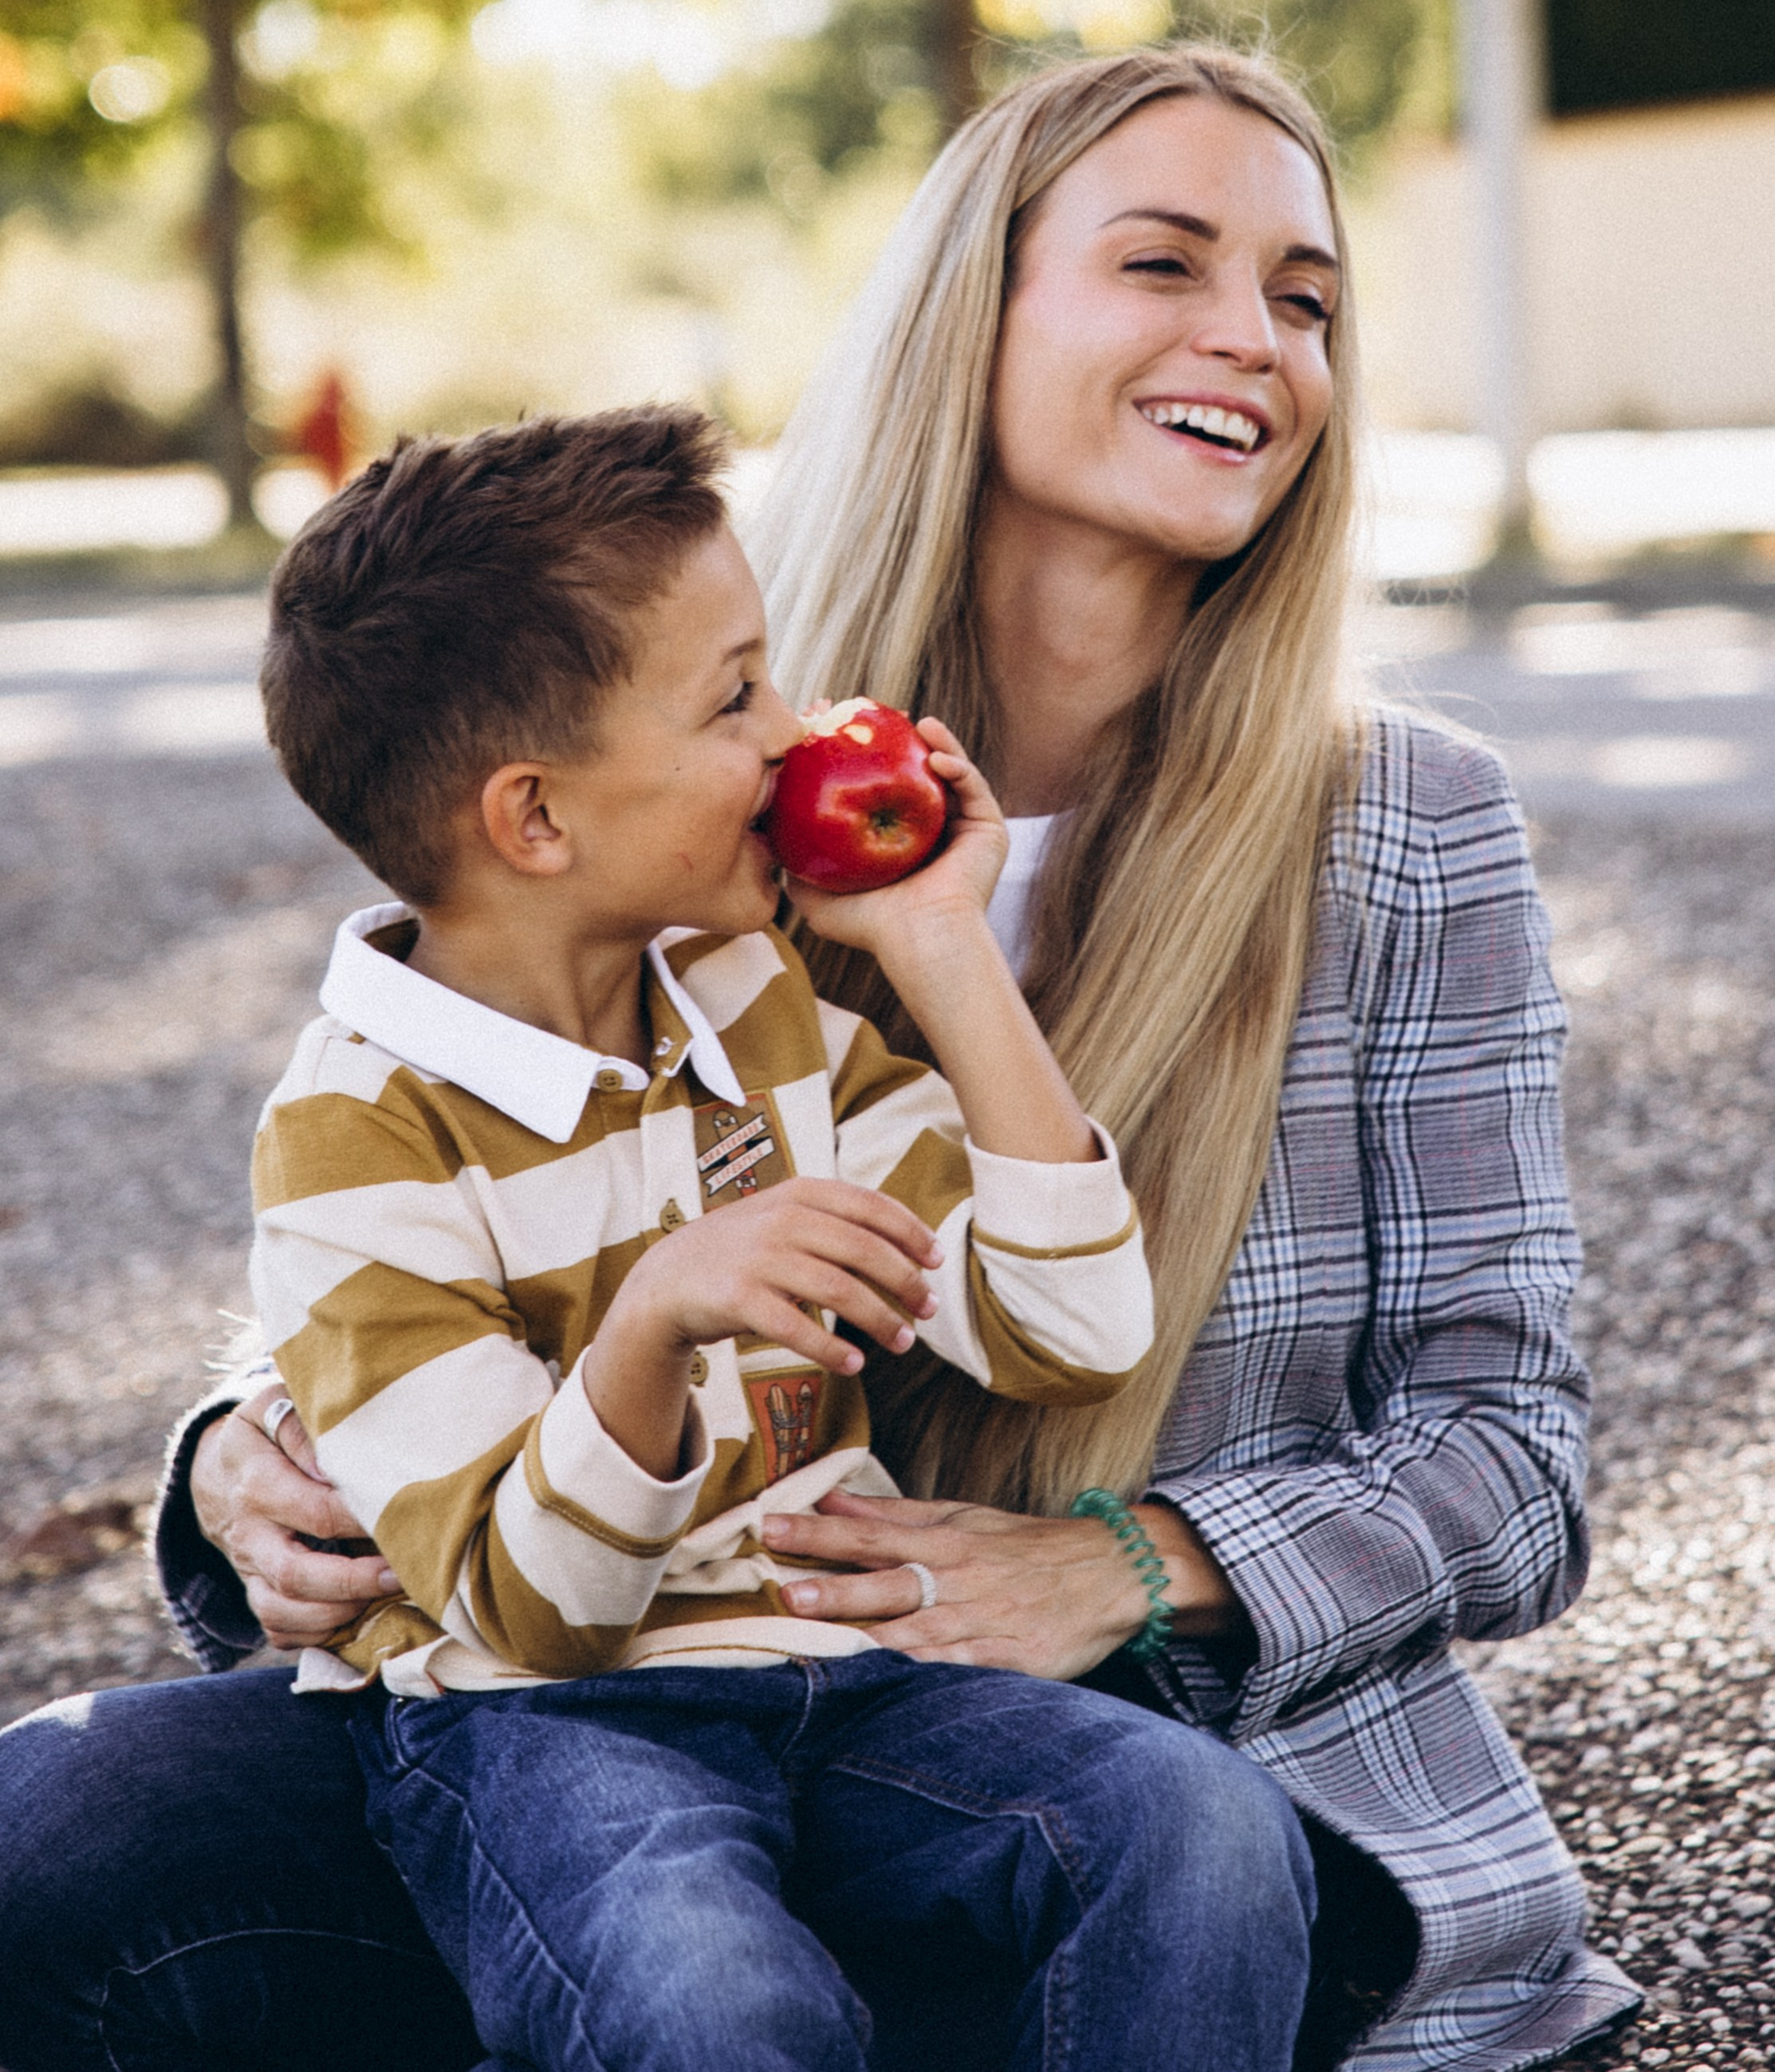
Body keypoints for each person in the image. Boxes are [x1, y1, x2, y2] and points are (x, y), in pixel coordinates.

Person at [0, 45, 1643, 2072]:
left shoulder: (1404, 823)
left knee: (1099, 1886)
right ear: (983, 304)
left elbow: (1510, 1451)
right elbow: (442, 1160)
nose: (1255, 340)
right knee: (54, 1824)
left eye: (1304, 297)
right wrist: (247, 1450)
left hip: (1084, 1741)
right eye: (1165, 263)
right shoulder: (695, 739)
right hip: (590, 1667)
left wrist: (1121, 1571)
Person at [236, 400, 1299, 2072]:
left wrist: (941, 943)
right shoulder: (354, 1139)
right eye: (735, 697)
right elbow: (525, 1607)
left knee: (1200, 1833)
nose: (797, 733)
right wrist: (653, 1323)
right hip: (550, 1733)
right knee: (713, 2004)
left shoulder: (745, 1003)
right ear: (535, 820)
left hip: (847, 1681)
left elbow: (1067, 1327)